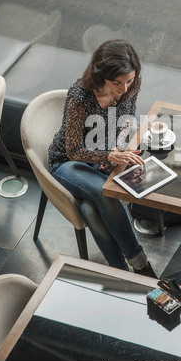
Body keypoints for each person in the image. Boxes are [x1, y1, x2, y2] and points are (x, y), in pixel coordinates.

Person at [48, 39, 157, 277]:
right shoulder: (80, 96)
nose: (125, 88)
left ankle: (118, 271)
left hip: (101, 160)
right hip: (66, 162)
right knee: (102, 192)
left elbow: (125, 122)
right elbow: (74, 149)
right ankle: (141, 265)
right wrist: (109, 154)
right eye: (117, 82)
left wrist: (117, 150)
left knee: (89, 209)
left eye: (129, 80)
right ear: (100, 76)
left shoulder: (132, 85)